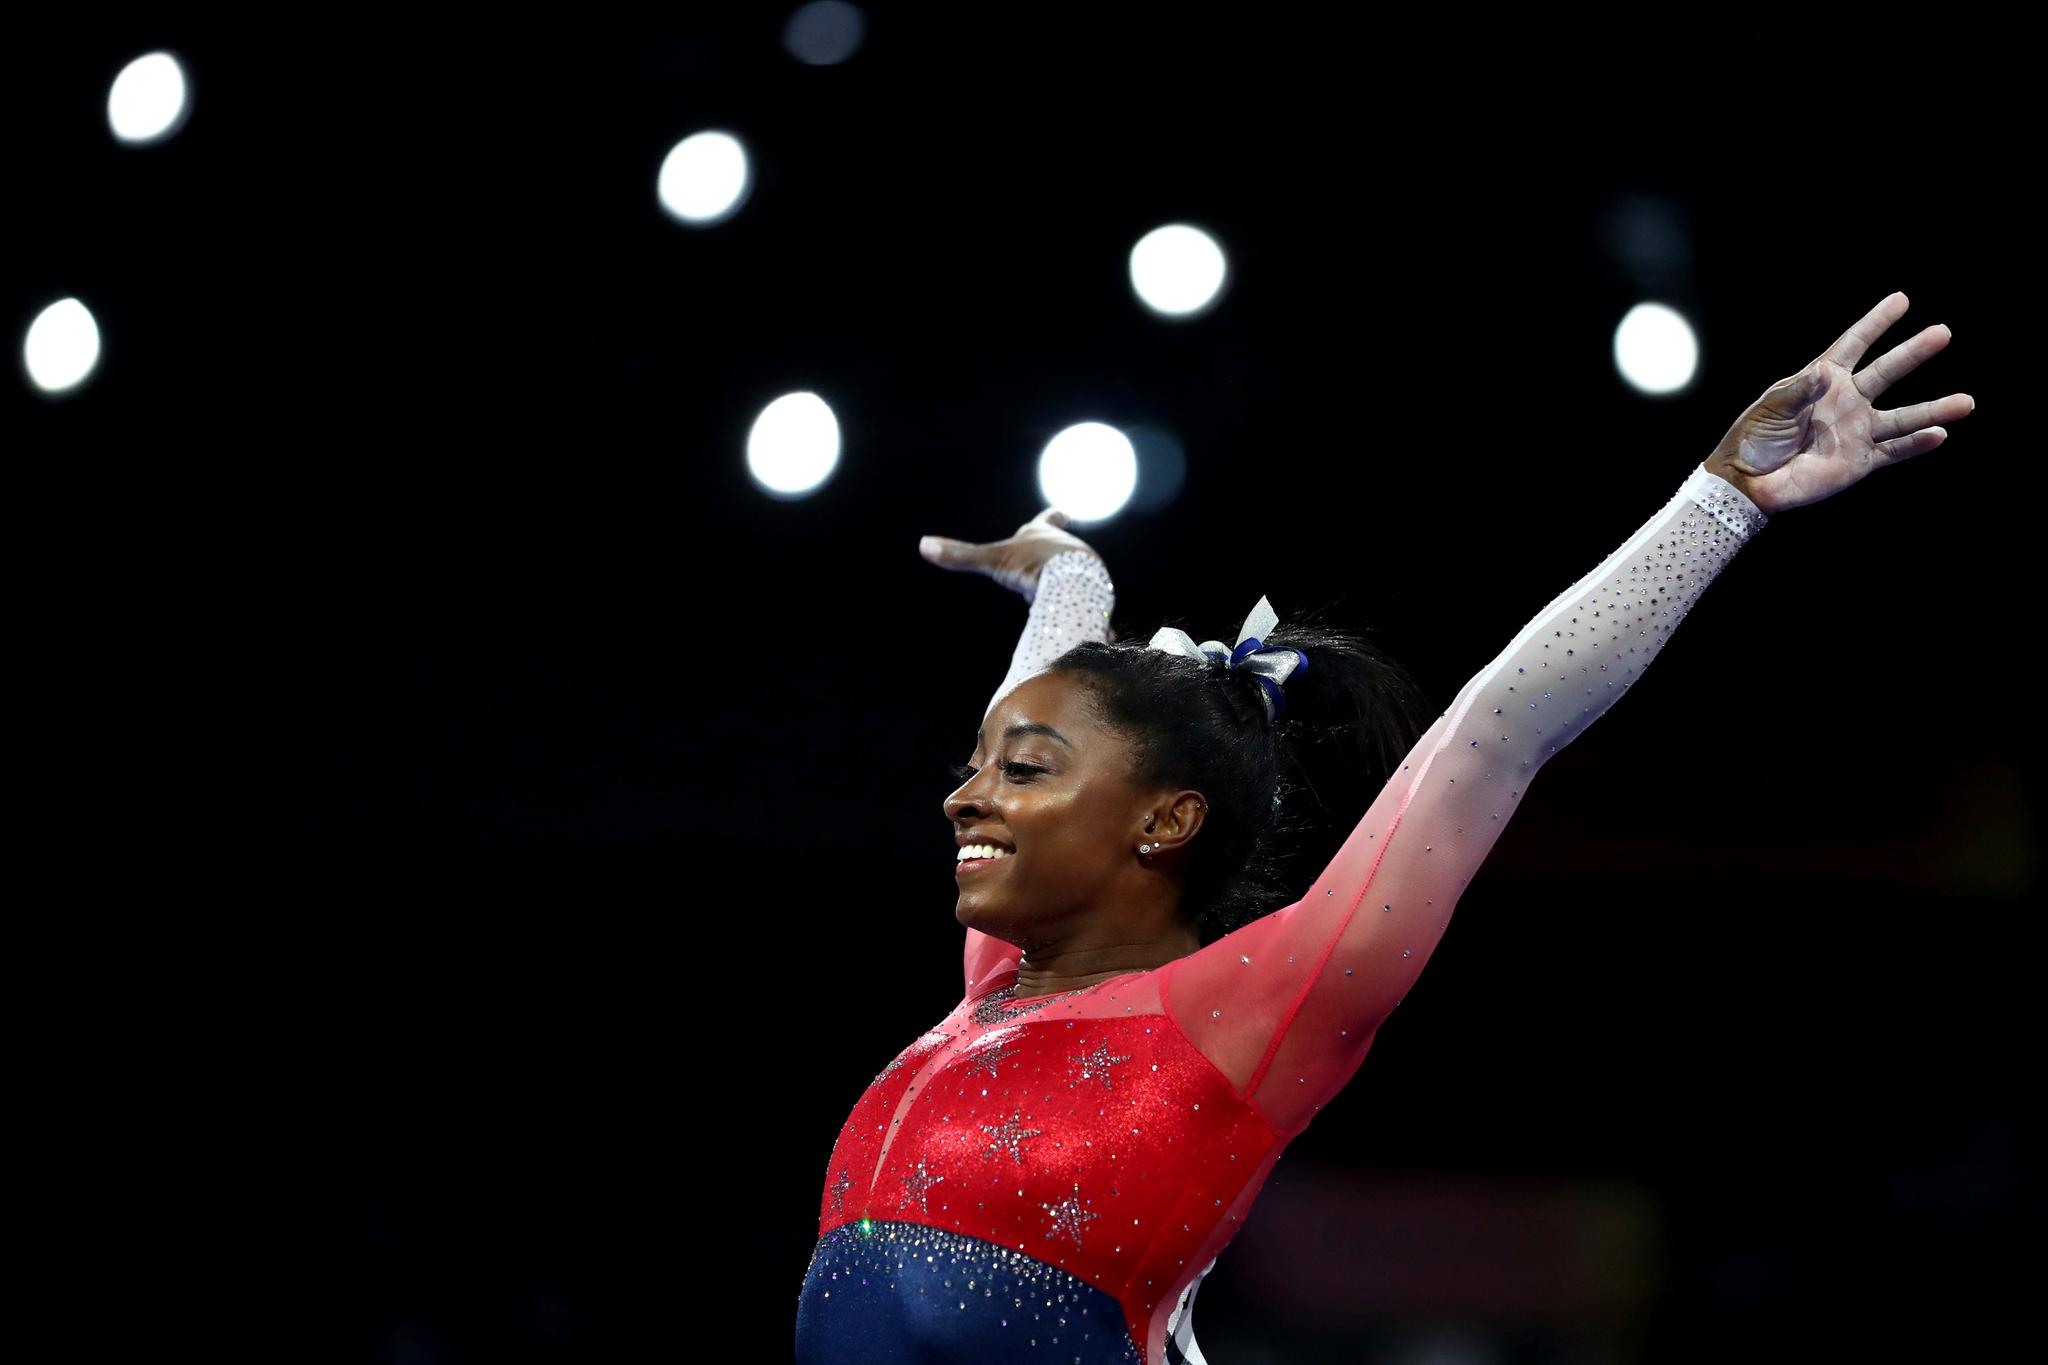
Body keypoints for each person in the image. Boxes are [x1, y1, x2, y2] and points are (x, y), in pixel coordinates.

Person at [793, 292, 1973, 1364]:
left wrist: (1719, 502)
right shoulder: (993, 990)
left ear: (1164, 821)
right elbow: (1032, 707)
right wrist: (1069, 579)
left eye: (1021, 771)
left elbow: (1492, 732)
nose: (963, 794)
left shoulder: (1254, 1009)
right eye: (976, 767)